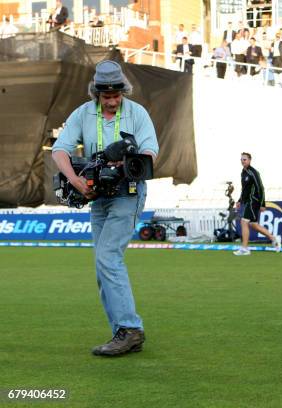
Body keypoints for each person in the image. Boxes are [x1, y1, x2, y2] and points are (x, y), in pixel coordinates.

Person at [51, 61, 159, 356]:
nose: (112, 101)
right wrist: (75, 181)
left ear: (123, 91)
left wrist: (125, 162)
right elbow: (60, 150)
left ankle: (130, 329)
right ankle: (121, 333)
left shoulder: (137, 113)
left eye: (116, 95)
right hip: (96, 196)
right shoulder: (82, 113)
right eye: (106, 96)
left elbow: (150, 154)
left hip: (128, 192)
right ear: (96, 93)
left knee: (108, 256)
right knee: (103, 265)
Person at [234, 153, 281, 256]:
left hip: (253, 201)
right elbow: (244, 190)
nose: (243, 161)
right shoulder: (243, 173)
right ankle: (274, 239)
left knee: (243, 221)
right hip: (248, 202)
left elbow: (260, 187)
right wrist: (239, 200)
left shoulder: (253, 172)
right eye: (241, 159)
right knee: (253, 225)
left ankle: (245, 248)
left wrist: (262, 204)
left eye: (245, 159)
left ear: (250, 160)